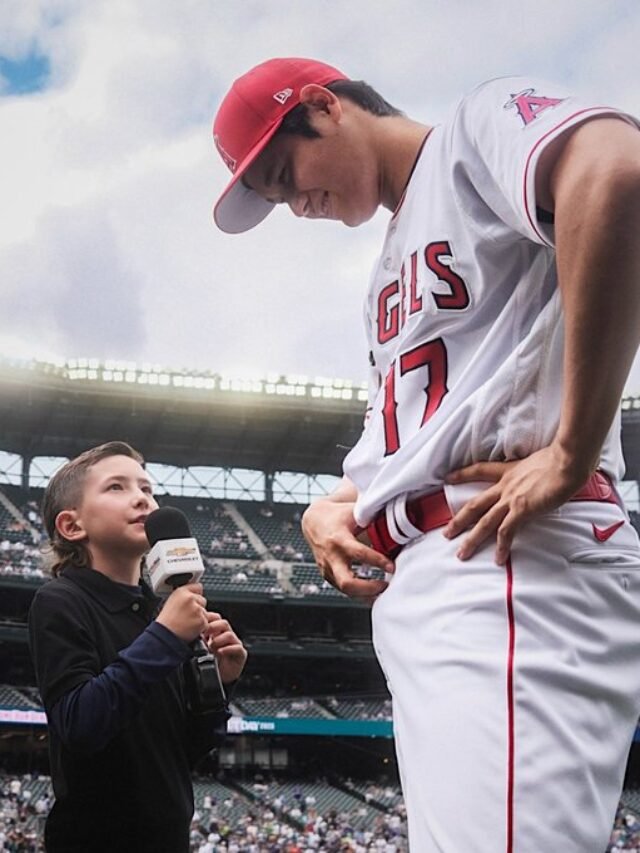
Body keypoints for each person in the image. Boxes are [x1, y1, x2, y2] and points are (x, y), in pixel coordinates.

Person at [212, 57, 640, 851]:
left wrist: (576, 444)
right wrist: (330, 504)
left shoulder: (474, 130)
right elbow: (405, 436)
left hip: (510, 559)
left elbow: (614, 169)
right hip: (441, 582)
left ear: (323, 107)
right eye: (274, 197)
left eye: (283, 170)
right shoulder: (386, 266)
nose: (293, 203)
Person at [28, 441, 247, 853]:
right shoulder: (61, 600)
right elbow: (80, 725)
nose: (142, 498)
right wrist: (164, 636)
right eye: (117, 487)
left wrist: (219, 682)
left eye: (147, 488)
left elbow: (185, 750)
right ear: (72, 526)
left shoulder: (158, 612)